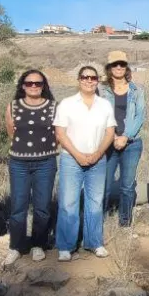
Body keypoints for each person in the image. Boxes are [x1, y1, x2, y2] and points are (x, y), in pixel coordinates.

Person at [53, 65, 115, 262]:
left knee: (95, 202)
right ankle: (65, 245)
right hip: (72, 159)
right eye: (85, 77)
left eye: (93, 78)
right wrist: (78, 154)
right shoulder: (67, 104)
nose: (89, 81)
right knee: (68, 202)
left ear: (97, 81)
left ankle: (94, 242)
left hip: (98, 159)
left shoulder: (104, 105)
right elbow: (60, 133)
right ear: (79, 80)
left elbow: (110, 132)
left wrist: (98, 153)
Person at [3, 69, 57, 266]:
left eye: (38, 83)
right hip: (19, 163)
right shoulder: (13, 106)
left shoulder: (53, 107)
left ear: (44, 85)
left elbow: (57, 134)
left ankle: (38, 244)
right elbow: (12, 132)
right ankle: (16, 247)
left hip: (46, 162)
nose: (34, 86)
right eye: (29, 83)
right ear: (22, 85)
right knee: (18, 206)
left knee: (42, 206)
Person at [98, 51, 146, 228]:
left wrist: (126, 136)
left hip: (131, 144)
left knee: (127, 186)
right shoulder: (101, 90)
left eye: (122, 64)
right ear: (109, 68)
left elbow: (140, 116)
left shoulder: (137, 90)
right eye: (115, 64)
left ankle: (125, 223)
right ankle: (99, 221)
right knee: (105, 184)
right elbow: (97, 115)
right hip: (107, 143)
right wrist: (113, 137)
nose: (118, 67)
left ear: (126, 67)